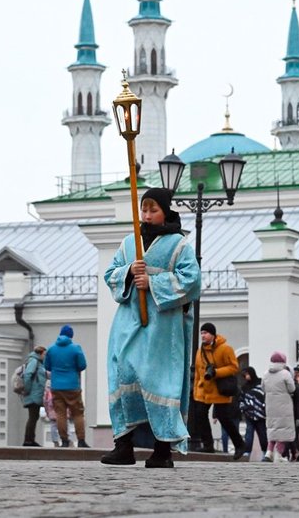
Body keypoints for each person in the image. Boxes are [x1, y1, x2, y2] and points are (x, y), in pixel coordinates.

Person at [99, 187, 201, 468]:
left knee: (159, 381)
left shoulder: (179, 245)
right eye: (144, 209)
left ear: (165, 211)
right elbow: (110, 274)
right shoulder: (129, 243)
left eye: (153, 210)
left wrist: (154, 284)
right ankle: (124, 445)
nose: (146, 215)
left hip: (162, 329)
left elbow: (192, 281)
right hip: (129, 324)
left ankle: (162, 450)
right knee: (124, 374)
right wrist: (129, 273)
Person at [191, 322, 248, 460]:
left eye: (206, 333)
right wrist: (196, 389)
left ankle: (239, 444)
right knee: (200, 415)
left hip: (219, 390)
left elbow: (234, 367)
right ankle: (208, 444)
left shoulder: (225, 349)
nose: (203, 336)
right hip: (204, 390)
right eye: (202, 333)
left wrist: (216, 372)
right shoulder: (200, 351)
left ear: (213, 334)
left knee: (224, 418)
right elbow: (199, 371)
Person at [45, 324, 90, 449]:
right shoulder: (76, 349)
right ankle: (81, 440)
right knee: (78, 413)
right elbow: (82, 365)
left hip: (56, 386)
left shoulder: (51, 349)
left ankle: (64, 440)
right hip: (72, 386)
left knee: (60, 414)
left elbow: (47, 366)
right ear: (71, 336)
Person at [261, 351, 295, 462]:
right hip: (284, 405)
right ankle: (278, 455)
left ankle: (269, 453)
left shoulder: (266, 374)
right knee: (283, 431)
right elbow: (292, 388)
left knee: (272, 429)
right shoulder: (285, 373)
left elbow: (263, 388)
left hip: (270, 405)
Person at [238, 366, 268, 459]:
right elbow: (241, 399)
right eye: (244, 375)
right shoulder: (244, 387)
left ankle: (265, 452)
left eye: (247, 374)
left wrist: (264, 407)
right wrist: (244, 408)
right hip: (249, 414)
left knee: (262, 434)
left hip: (261, 414)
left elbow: (266, 396)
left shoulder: (261, 383)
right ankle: (247, 452)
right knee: (248, 434)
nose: (246, 377)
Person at [21, 346, 47, 447]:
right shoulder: (34, 361)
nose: (45, 356)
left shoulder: (37, 362)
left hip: (35, 394)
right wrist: (27, 390)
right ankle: (28, 440)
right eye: (44, 354)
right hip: (32, 394)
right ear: (40, 353)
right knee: (32, 417)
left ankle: (30, 439)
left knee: (34, 416)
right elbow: (28, 375)